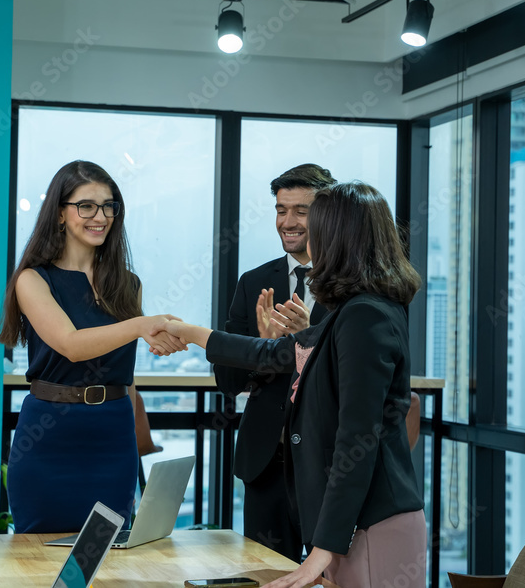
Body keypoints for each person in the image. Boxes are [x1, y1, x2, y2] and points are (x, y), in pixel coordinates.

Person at [168, 182, 426, 588]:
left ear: (339, 240)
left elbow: (357, 438)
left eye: (316, 229)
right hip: (350, 527)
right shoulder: (354, 311)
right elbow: (271, 354)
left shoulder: (365, 317)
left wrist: (322, 551)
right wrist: (187, 331)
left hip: (372, 522)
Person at [0, 160, 186, 533]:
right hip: (48, 437)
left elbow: (125, 370)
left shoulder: (128, 284)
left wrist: (161, 340)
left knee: (109, 556)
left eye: (108, 205)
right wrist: (142, 325)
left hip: (113, 438)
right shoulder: (34, 280)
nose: (100, 216)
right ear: (60, 214)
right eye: (86, 206)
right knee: (37, 561)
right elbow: (71, 345)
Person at [213, 163, 335, 561]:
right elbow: (228, 381)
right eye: (282, 210)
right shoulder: (254, 282)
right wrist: (260, 348)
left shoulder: (349, 283)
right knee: (268, 576)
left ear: (327, 214)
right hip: (267, 462)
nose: (289, 221)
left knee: (333, 576)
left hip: (328, 462)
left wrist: (308, 337)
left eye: (301, 210)